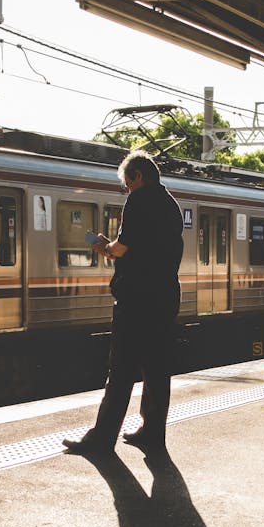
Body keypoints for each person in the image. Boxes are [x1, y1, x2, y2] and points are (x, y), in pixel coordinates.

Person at [63, 150, 183, 456]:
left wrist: (104, 247)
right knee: (156, 370)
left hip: (137, 300)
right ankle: (153, 433)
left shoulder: (139, 201)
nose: (126, 188)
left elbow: (122, 249)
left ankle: (101, 439)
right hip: (165, 298)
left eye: (127, 182)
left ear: (138, 177)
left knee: (121, 371)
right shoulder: (171, 205)